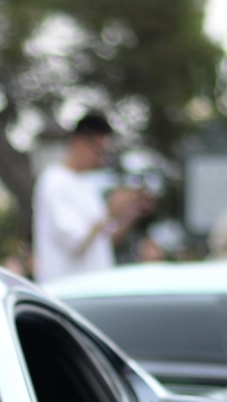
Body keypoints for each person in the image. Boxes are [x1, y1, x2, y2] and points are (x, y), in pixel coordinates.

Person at [33, 110, 148, 283]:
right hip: (67, 294)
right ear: (79, 142)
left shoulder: (86, 184)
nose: (101, 159)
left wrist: (131, 212)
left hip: (89, 291)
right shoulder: (54, 182)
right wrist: (110, 212)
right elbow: (76, 242)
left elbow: (105, 241)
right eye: (99, 151)